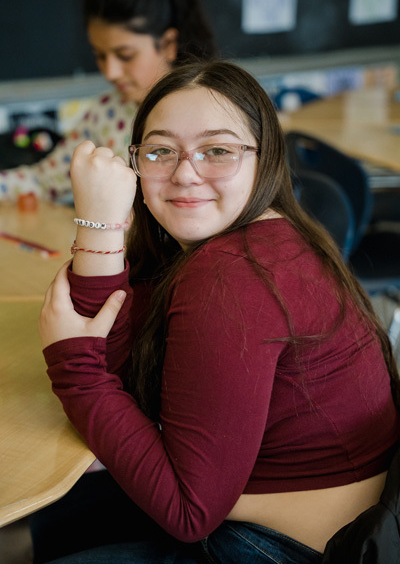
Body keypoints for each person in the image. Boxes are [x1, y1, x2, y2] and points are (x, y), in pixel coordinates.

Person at [38, 61, 400, 564]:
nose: (185, 173)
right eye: (161, 151)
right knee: (60, 518)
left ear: (263, 159)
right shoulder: (261, 233)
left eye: (218, 151)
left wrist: (74, 370)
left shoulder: (232, 275)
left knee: (62, 530)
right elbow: (113, 356)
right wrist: (102, 224)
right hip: (277, 510)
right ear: (136, 162)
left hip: (297, 549)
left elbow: (190, 513)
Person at [0, 0, 216, 202]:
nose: (110, 72)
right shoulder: (106, 113)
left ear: (167, 44)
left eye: (125, 55)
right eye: (100, 56)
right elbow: (43, 181)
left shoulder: (215, 111)